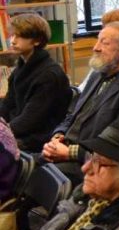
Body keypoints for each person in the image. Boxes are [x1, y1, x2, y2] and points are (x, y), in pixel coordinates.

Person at [42, 22, 119, 185]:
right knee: (19, 166)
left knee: (32, 176)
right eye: (98, 41)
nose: (96, 47)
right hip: (65, 152)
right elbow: (72, 114)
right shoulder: (97, 75)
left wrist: (69, 152)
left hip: (93, 165)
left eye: (104, 43)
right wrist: (58, 136)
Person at [0, 13, 71, 152]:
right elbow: (7, 105)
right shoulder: (20, 69)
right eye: (13, 35)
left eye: (20, 36)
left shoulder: (49, 75)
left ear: (37, 41)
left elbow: (31, 120)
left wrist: (4, 134)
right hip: (21, 132)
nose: (13, 41)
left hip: (39, 139)